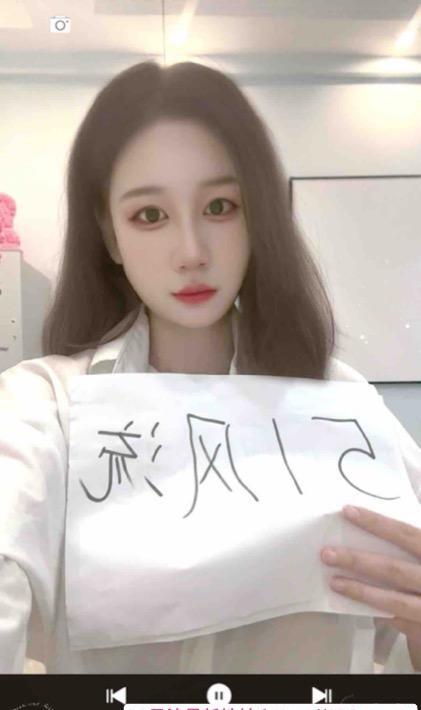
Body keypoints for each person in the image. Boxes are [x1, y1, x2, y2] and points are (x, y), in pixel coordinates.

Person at [0, 60, 420, 674]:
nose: (192, 252)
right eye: (150, 215)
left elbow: (399, 648)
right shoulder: (45, 407)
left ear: (258, 218)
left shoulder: (344, 408)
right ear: (110, 235)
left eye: (221, 206)